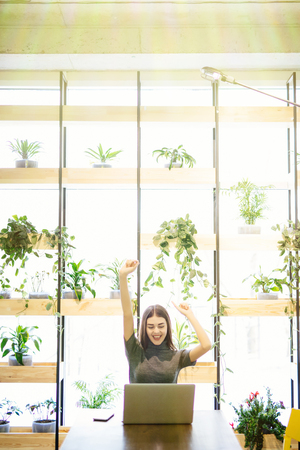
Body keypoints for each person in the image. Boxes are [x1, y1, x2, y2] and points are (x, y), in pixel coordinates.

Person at [120, 259, 212, 383]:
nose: (156, 331)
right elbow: (127, 314)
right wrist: (123, 276)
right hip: (138, 404)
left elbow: (206, 345)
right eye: (151, 326)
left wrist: (189, 315)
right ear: (145, 328)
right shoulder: (135, 351)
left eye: (161, 326)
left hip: (171, 404)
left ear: (168, 327)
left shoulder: (178, 357)